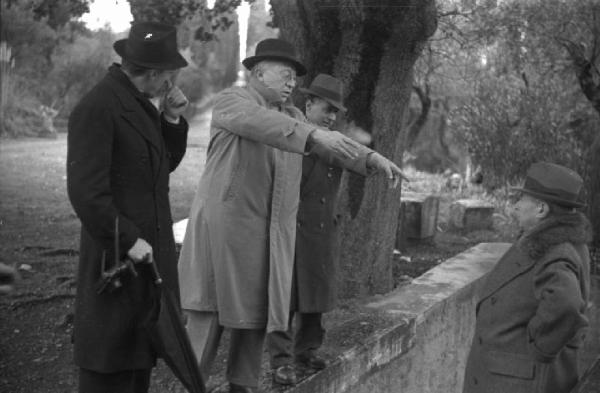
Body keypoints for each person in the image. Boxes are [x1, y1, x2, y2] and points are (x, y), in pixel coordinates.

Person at [178, 39, 404, 393]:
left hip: (265, 237)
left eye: (294, 78)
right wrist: (313, 134)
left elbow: (329, 142)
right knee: (207, 315)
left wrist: (370, 159)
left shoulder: (294, 117)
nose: (291, 83)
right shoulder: (232, 102)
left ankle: (243, 386)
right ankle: (187, 385)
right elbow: (262, 124)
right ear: (256, 72)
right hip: (223, 235)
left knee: (254, 319)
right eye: (285, 74)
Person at [66, 21, 189, 393]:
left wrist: (170, 118)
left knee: (136, 363)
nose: (171, 83)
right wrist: (129, 240)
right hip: (116, 260)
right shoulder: (99, 106)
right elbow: (86, 192)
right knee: (109, 366)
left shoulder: (142, 106)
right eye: (168, 75)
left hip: (145, 262)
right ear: (152, 74)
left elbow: (159, 168)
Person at [266, 73, 406, 385]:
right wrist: (371, 156)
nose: (330, 117)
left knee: (315, 293)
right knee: (284, 295)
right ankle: (280, 360)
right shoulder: (293, 130)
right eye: (326, 109)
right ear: (308, 103)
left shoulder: (334, 139)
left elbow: (347, 153)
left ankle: (307, 350)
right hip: (289, 228)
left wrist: (372, 159)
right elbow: (336, 151)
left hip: (319, 229)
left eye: (335, 112)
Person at [463, 162, 592, 393]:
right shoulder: (559, 240)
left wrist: (538, 346)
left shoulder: (555, 250)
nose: (515, 206)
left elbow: (567, 304)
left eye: (522, 200)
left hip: (516, 381)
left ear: (541, 209)